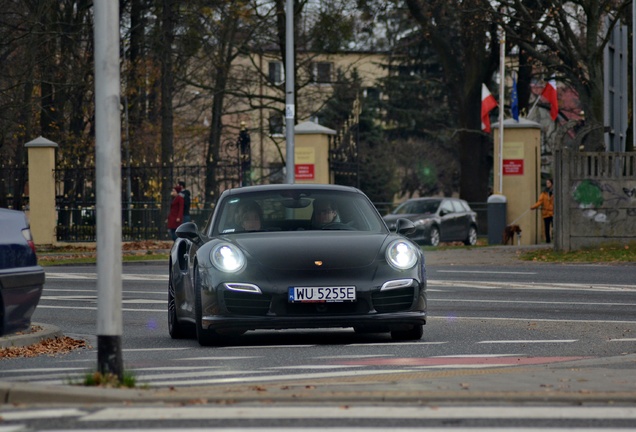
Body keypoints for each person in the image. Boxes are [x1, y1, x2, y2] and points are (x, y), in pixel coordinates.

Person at [531, 178, 554, 243]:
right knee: (546, 228)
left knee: (554, 226)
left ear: (551, 183)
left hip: (553, 212)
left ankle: (555, 239)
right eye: (547, 183)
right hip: (546, 212)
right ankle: (548, 241)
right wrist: (533, 207)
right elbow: (539, 202)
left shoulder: (555, 192)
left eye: (549, 183)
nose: (547, 184)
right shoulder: (544, 193)